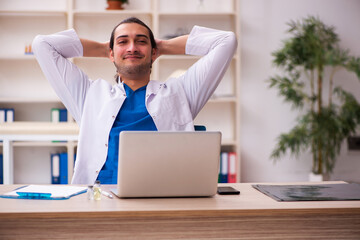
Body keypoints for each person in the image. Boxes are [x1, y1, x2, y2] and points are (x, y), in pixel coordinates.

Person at [32, 17, 237, 184]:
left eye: (141, 41)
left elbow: (226, 41)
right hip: (100, 199)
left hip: (165, 198)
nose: (132, 47)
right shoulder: (89, 95)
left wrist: (162, 46)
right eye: (123, 42)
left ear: (153, 52)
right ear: (111, 54)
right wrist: (107, 49)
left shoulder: (180, 92)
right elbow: (42, 45)